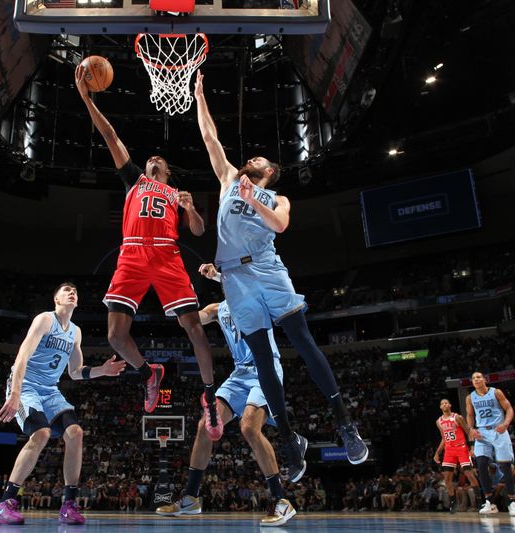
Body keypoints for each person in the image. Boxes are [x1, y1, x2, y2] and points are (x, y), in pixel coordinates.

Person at [193, 70, 366, 480]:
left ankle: (344, 422)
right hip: (234, 279)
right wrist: (200, 96)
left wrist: (255, 201)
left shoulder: (277, 196)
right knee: (262, 362)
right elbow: (210, 139)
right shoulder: (228, 181)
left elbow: (280, 225)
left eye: (258, 161)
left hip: (268, 270)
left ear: (269, 172)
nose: (251, 160)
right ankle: (288, 439)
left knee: (302, 341)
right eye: (250, 158)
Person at [75, 64, 223, 441]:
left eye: (161, 159)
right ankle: (148, 373)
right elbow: (109, 133)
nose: (154, 157)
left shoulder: (177, 195)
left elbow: (200, 232)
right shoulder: (134, 179)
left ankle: (208, 396)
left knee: (195, 329)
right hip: (133, 254)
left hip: (167, 256)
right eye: (151, 157)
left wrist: (190, 209)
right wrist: (86, 98)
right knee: (114, 336)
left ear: (168, 171)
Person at [156, 263, 296, 526]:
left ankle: (281, 500)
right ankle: (191, 497)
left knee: (249, 428)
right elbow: (187, 321)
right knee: (203, 426)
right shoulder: (217, 309)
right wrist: (177, 293)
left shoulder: (256, 298)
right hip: (240, 374)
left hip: (265, 368)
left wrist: (220, 275)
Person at [0, 282, 125, 525]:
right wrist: (16, 393)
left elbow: (75, 372)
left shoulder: (75, 332)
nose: (72, 292)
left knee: (75, 433)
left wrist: (102, 370)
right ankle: (4, 502)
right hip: (26, 385)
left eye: (75, 291)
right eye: (66, 291)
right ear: (56, 300)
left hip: (50, 390)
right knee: (41, 433)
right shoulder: (44, 320)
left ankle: (68, 504)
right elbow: (22, 355)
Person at [465, 371, 515, 516]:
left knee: (505, 466)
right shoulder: (470, 397)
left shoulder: (496, 392)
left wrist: (506, 424)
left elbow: (509, 409)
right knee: (482, 465)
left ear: (484, 379)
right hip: (481, 432)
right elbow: (470, 415)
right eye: (473, 378)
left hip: (498, 430)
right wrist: (471, 429)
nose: (476, 379)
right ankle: (490, 502)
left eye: (478, 377)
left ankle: (512, 502)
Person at [432, 398, 481, 513]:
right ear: (440, 407)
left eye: (446, 402)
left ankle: (480, 501)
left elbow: (468, 432)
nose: (444, 404)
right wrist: (437, 453)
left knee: (469, 474)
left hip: (461, 448)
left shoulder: (457, 417)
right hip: (449, 450)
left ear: (450, 405)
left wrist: (472, 447)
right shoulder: (439, 421)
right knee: (447, 478)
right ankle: (453, 501)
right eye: (442, 403)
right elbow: (444, 438)